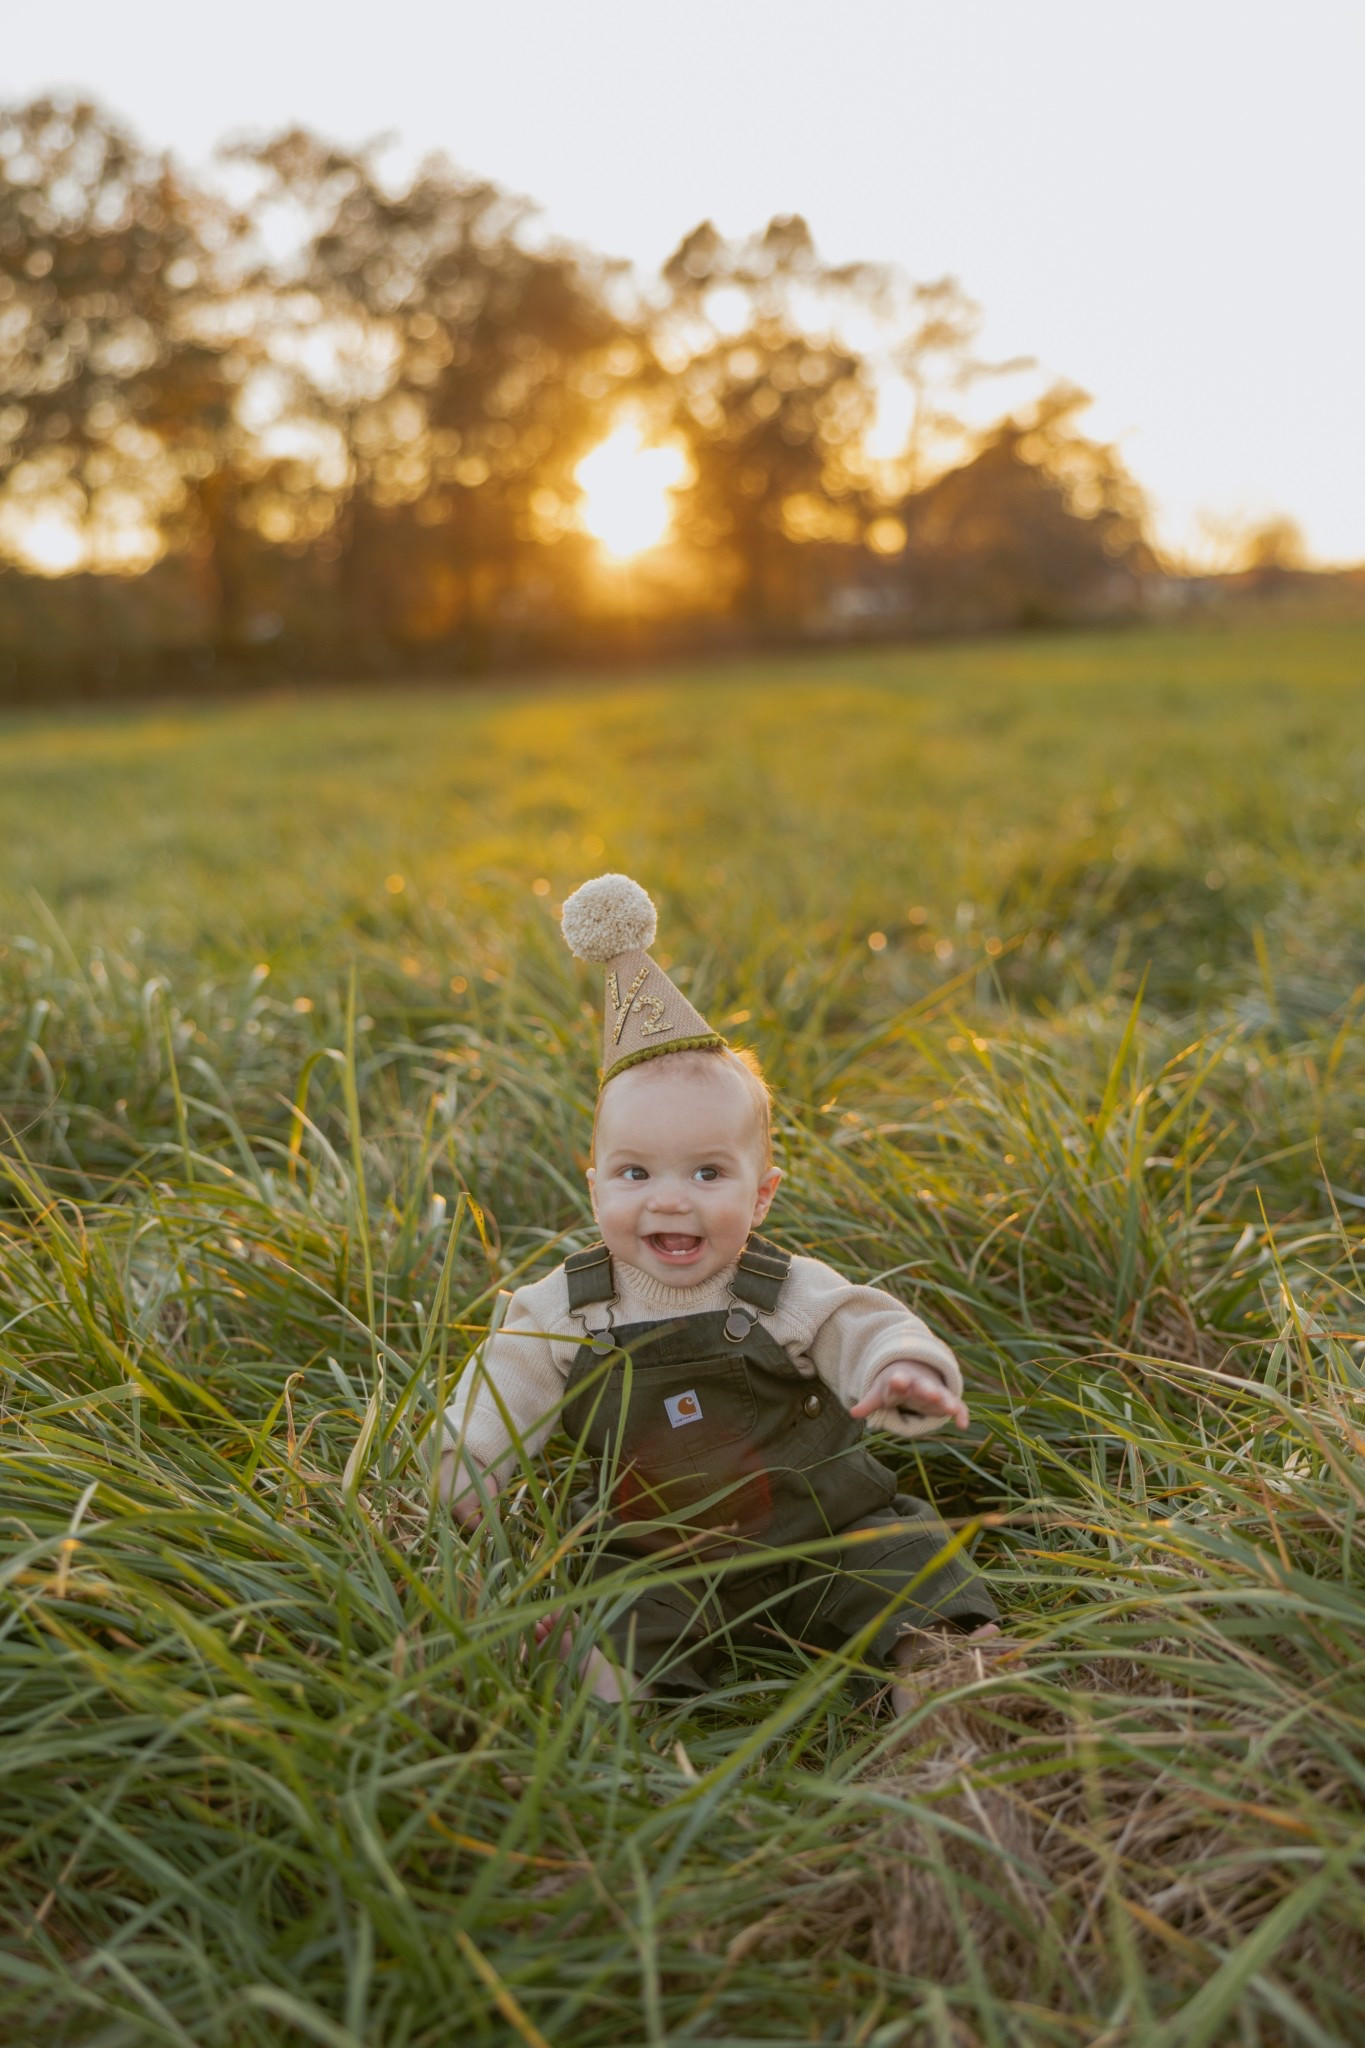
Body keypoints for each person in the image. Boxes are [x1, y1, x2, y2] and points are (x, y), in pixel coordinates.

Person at [441, 874, 1002, 1712]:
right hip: (655, 1556)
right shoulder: (564, 1309)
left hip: (825, 1535)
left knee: (902, 1557)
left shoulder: (782, 1291)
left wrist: (904, 1371)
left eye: (708, 1172)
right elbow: (500, 1389)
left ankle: (947, 1682)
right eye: (636, 1173)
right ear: (595, 1188)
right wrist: (466, 1472)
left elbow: (866, 1326)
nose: (670, 1199)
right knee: (608, 1604)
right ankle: (617, 1701)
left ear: (762, 1195)